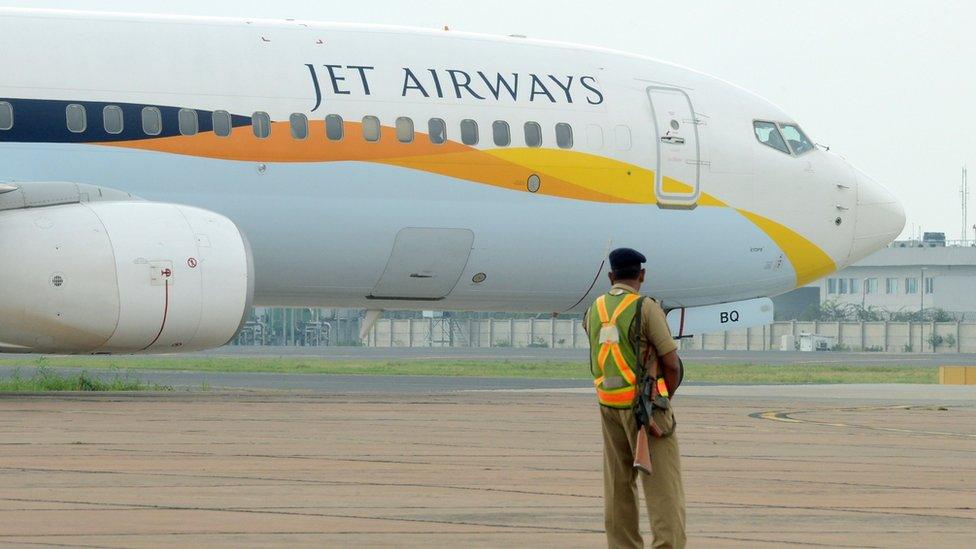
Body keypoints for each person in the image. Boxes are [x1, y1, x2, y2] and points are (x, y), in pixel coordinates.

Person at [583, 248, 686, 549]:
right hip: (646, 411)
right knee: (663, 489)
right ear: (641, 275)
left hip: (608, 407)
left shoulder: (594, 309)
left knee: (617, 488)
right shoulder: (646, 307)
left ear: (611, 276)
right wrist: (665, 398)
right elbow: (671, 362)